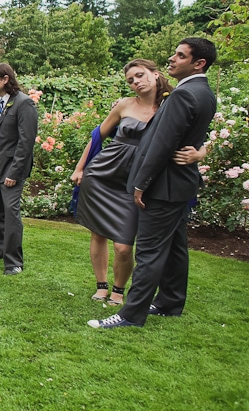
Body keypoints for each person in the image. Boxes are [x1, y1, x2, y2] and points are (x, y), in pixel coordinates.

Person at [89, 38, 218, 329]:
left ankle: (130, 314)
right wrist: (200, 151)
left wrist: (141, 183)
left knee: (148, 251)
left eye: (180, 56)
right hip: (180, 185)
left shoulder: (184, 95)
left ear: (199, 64)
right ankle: (170, 302)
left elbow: (162, 144)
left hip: (164, 185)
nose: (172, 59)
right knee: (175, 246)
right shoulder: (205, 92)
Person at [72, 60, 180, 305]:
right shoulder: (124, 105)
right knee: (98, 234)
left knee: (123, 245)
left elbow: (193, 134)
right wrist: (80, 168)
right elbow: (97, 136)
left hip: (136, 183)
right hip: (102, 176)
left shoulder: (171, 105)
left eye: (140, 76)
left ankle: (119, 290)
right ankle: (101, 286)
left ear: (155, 74)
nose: (136, 82)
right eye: (131, 80)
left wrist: (199, 153)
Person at [0, 63, 38, 275]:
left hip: (12, 169)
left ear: (5, 79)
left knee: (11, 214)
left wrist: (14, 172)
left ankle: (14, 262)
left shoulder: (25, 104)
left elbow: (26, 142)